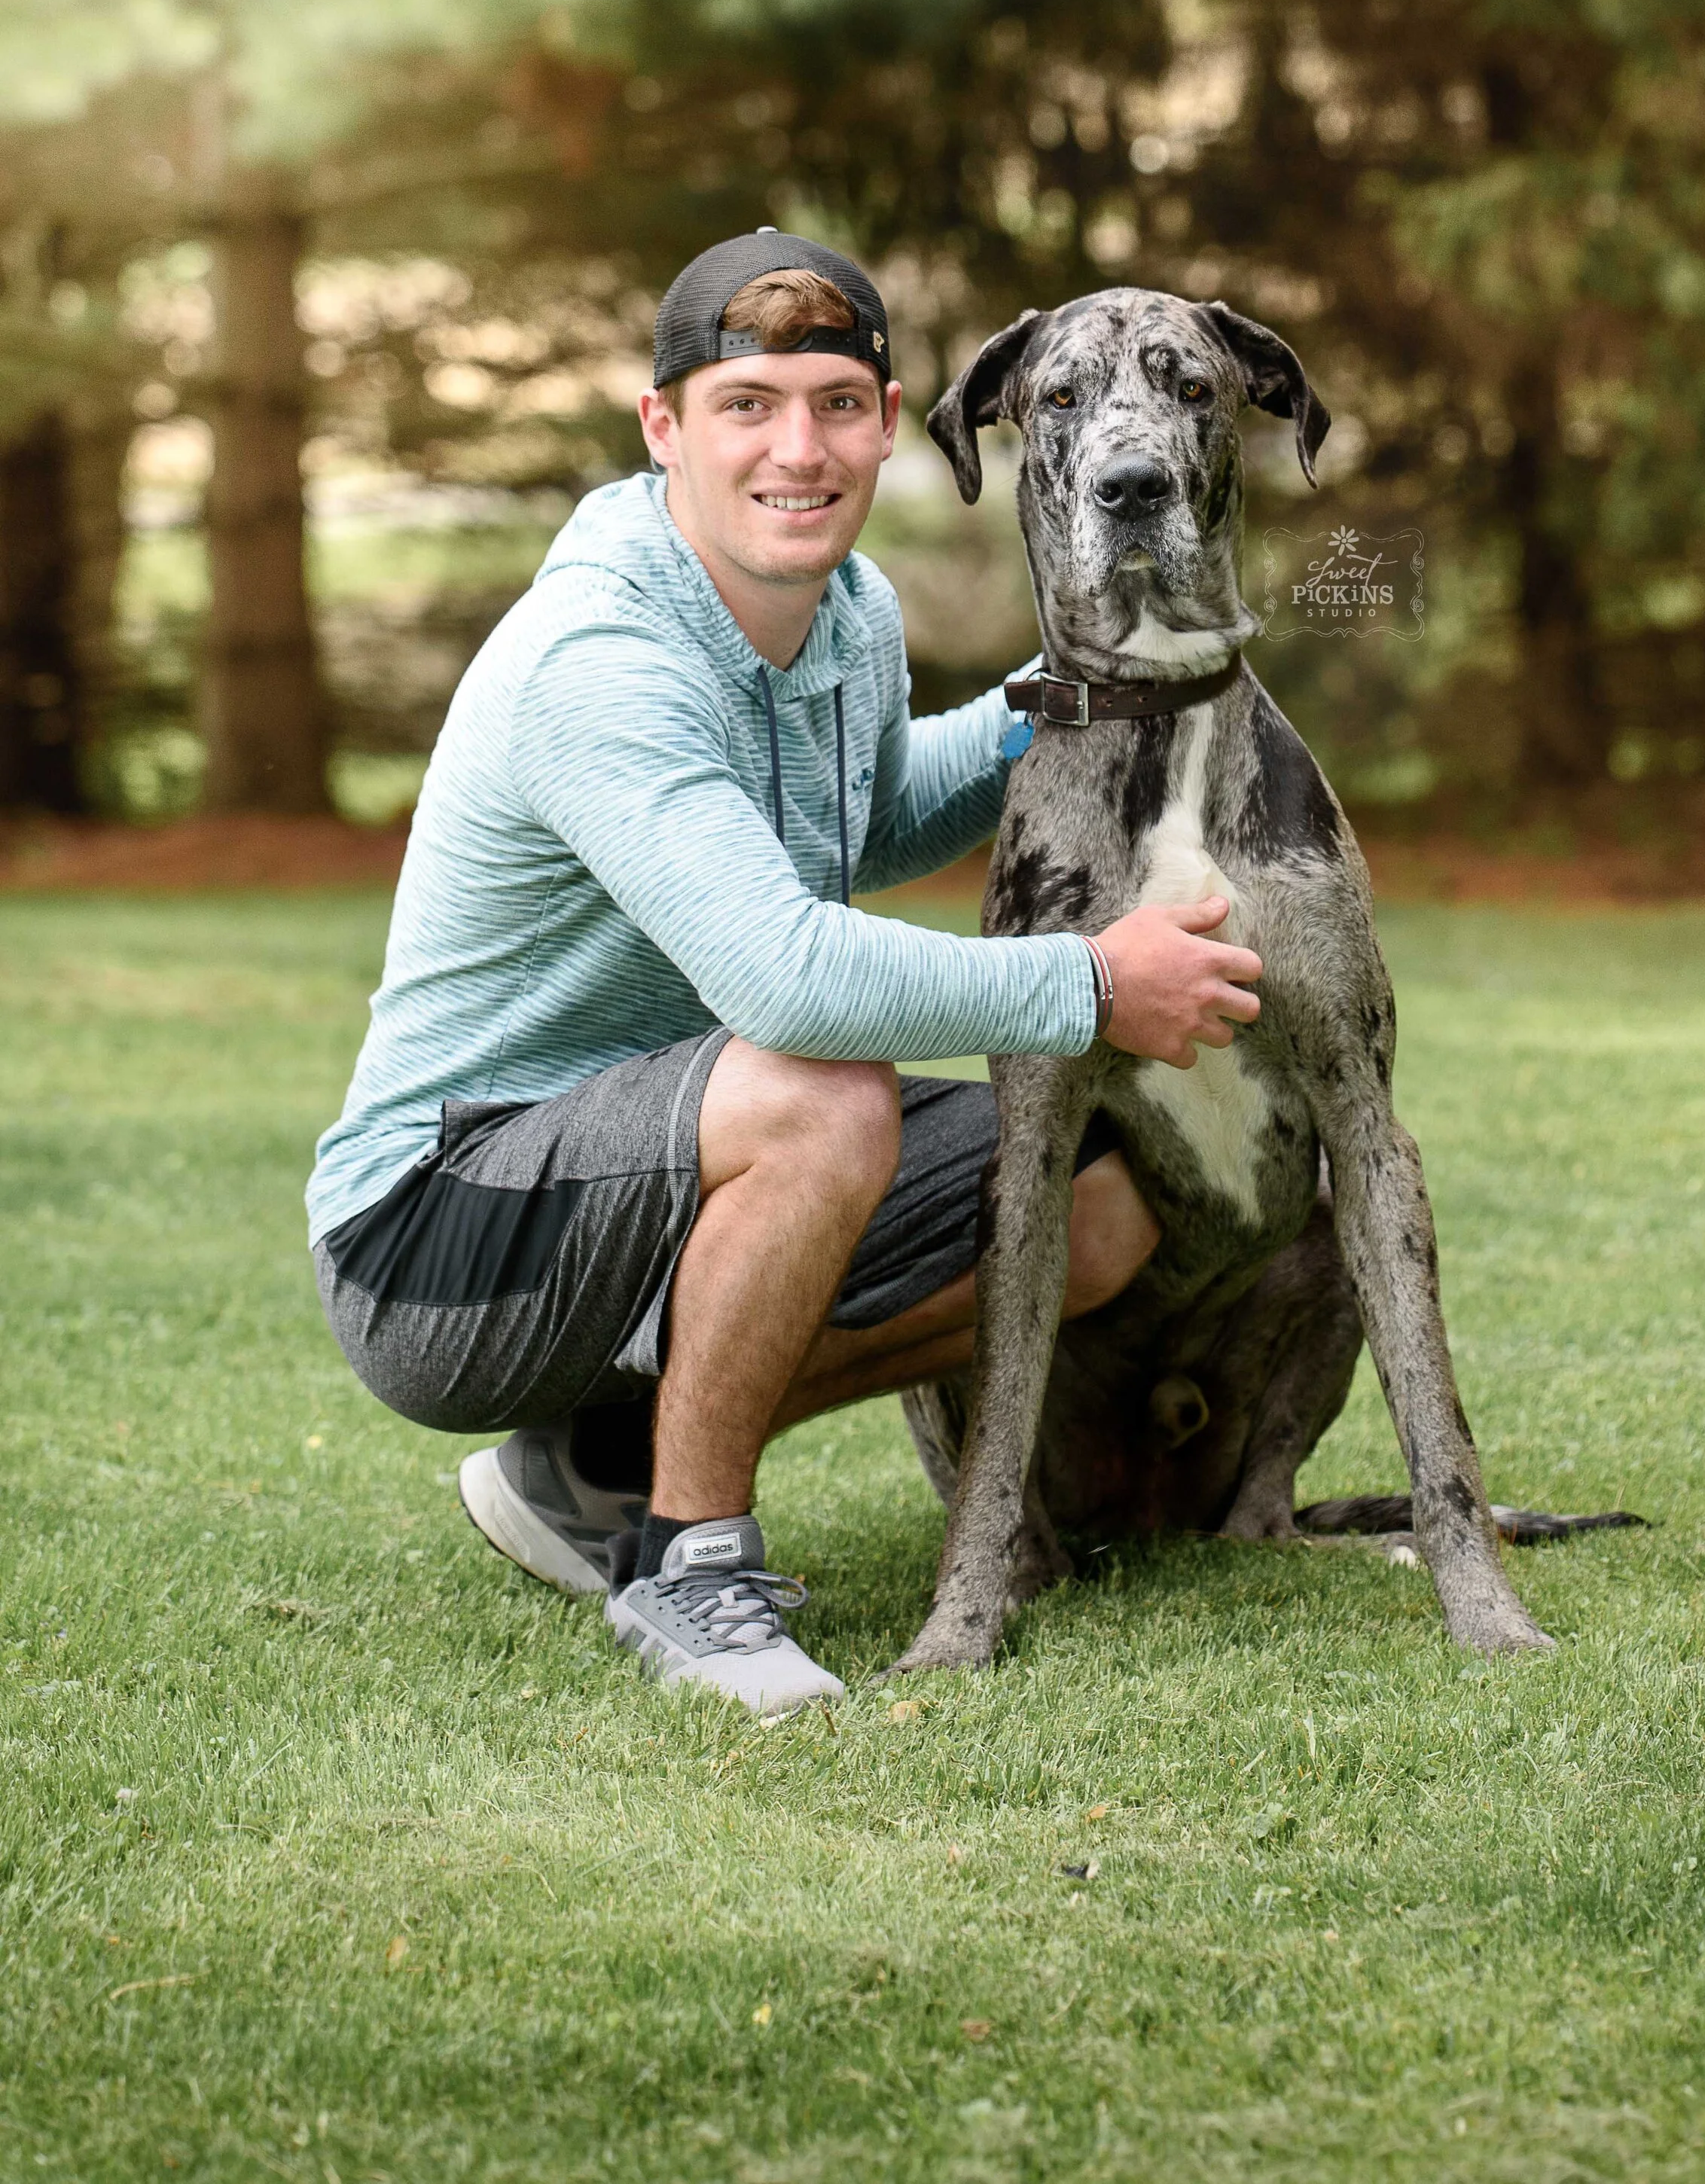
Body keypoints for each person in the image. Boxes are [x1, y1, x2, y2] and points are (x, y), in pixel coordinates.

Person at [307, 231, 1264, 1713]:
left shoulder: (849, 614)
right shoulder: (600, 655)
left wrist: (1052, 704)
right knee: (819, 1089)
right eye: (745, 403)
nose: (794, 448)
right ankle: (694, 1574)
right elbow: (790, 982)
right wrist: (1086, 985)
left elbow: (864, 820)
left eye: (833, 403)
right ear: (663, 429)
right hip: (437, 1230)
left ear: (888, 424)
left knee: (1097, 1201)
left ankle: (602, 1469)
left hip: (665, 1152)